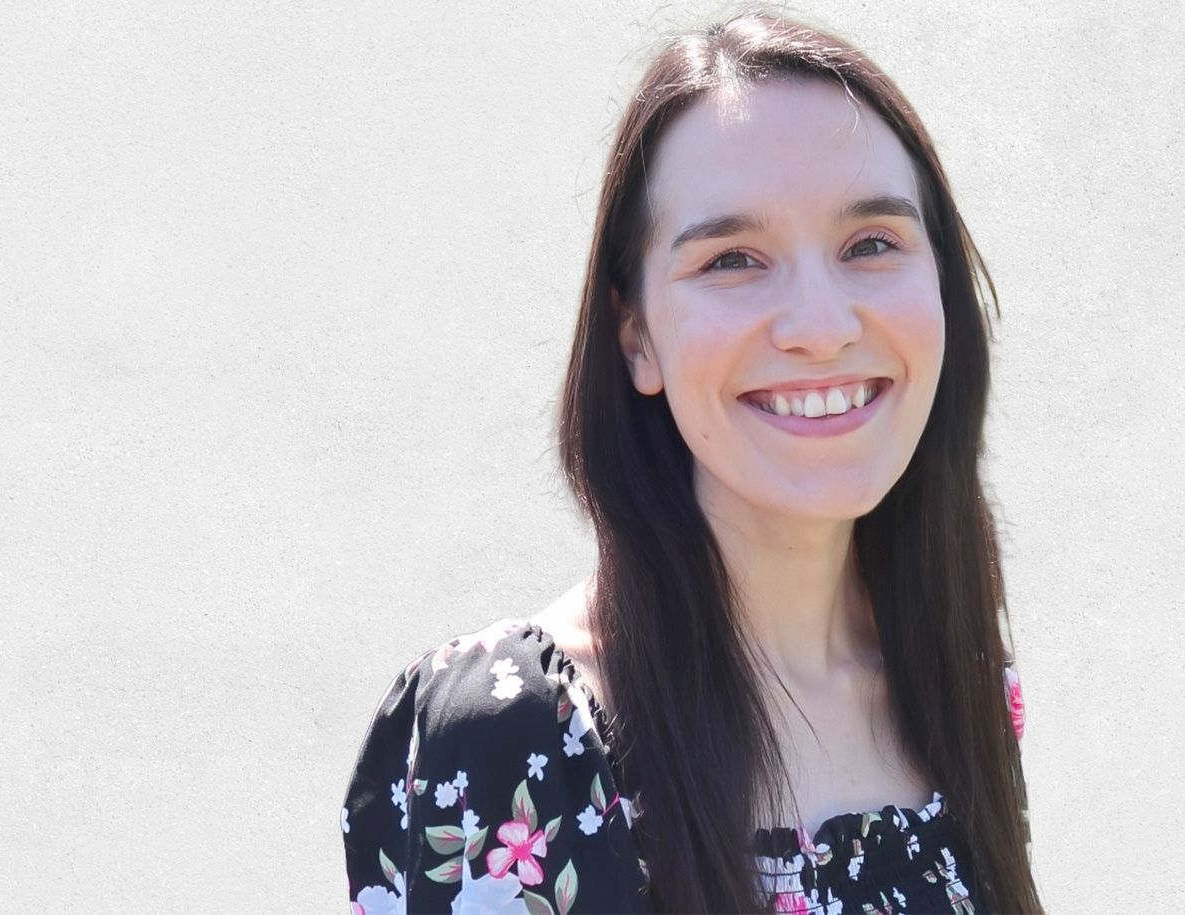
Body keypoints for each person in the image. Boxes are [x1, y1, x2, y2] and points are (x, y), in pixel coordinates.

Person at [341, 10, 1039, 913]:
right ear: (637, 336)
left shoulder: (955, 674)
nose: (821, 327)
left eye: (871, 244)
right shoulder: (515, 735)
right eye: (733, 259)